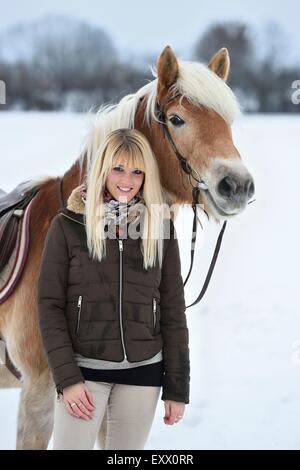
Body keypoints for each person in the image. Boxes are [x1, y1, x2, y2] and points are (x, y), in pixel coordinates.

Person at [37, 128, 190, 450]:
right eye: (118, 168)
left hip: (144, 372)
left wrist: (177, 388)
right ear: (102, 170)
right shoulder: (68, 226)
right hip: (84, 373)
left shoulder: (160, 227)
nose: (127, 180)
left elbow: (173, 309)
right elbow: (49, 306)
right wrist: (68, 378)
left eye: (137, 171)